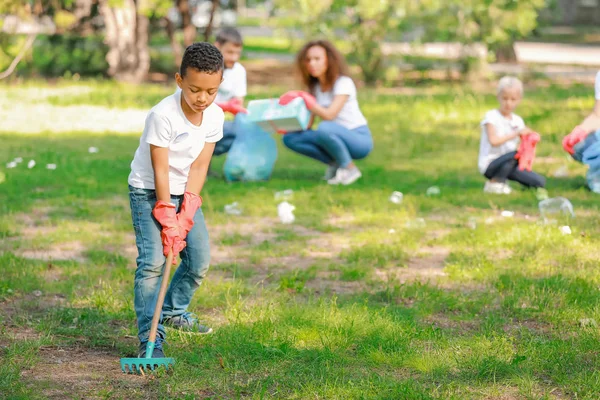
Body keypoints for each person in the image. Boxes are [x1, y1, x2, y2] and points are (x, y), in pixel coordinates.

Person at [127, 42, 224, 359]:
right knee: (153, 263)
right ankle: (150, 337)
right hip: (149, 190)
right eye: (195, 89)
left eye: (211, 91)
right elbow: (161, 170)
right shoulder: (163, 115)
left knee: (198, 262)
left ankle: (172, 310)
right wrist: (168, 217)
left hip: (186, 189)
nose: (203, 99)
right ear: (179, 80)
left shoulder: (215, 116)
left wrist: (188, 209)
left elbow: (200, 166)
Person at [278, 40, 372, 185]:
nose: (312, 64)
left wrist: (307, 101)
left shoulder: (343, 83)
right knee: (290, 138)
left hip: (358, 139)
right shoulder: (315, 88)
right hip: (332, 135)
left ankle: (350, 169)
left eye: (317, 59)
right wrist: (286, 125)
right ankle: (336, 164)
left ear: (329, 60)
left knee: (324, 127)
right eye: (308, 60)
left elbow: (329, 115)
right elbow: (307, 126)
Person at [478, 76, 546, 195]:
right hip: (491, 164)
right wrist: (516, 133)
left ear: (519, 99)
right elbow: (493, 141)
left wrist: (531, 138)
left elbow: (523, 147)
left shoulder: (517, 120)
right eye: (505, 98)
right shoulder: (491, 117)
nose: (508, 103)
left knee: (539, 182)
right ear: (498, 97)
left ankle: (505, 180)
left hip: (510, 163)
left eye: (513, 99)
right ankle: (495, 183)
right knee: (515, 154)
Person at [213, 27, 248, 157]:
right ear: (217, 46)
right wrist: (226, 106)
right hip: (190, 123)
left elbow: (238, 105)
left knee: (243, 130)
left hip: (215, 122)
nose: (234, 57)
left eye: (237, 53)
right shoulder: (203, 67)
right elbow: (191, 106)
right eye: (229, 52)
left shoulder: (238, 71)